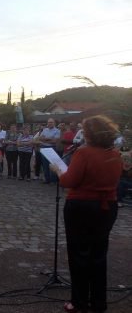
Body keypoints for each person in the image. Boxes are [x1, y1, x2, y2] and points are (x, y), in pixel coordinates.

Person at [50, 116, 122, 313]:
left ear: (89, 134)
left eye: (83, 130)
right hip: (108, 207)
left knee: (79, 255)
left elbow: (68, 181)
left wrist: (57, 170)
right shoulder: (115, 154)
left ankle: (79, 302)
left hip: (82, 207)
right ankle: (99, 303)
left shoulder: (84, 153)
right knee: (99, 255)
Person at [39, 118, 61, 184]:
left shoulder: (57, 131)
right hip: (44, 148)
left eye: (51, 122)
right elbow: (40, 138)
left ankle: (53, 180)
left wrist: (45, 139)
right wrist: (50, 139)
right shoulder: (45, 130)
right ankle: (47, 179)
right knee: (45, 165)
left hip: (52, 148)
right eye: (48, 122)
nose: (50, 124)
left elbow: (55, 141)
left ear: (54, 123)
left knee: (52, 164)